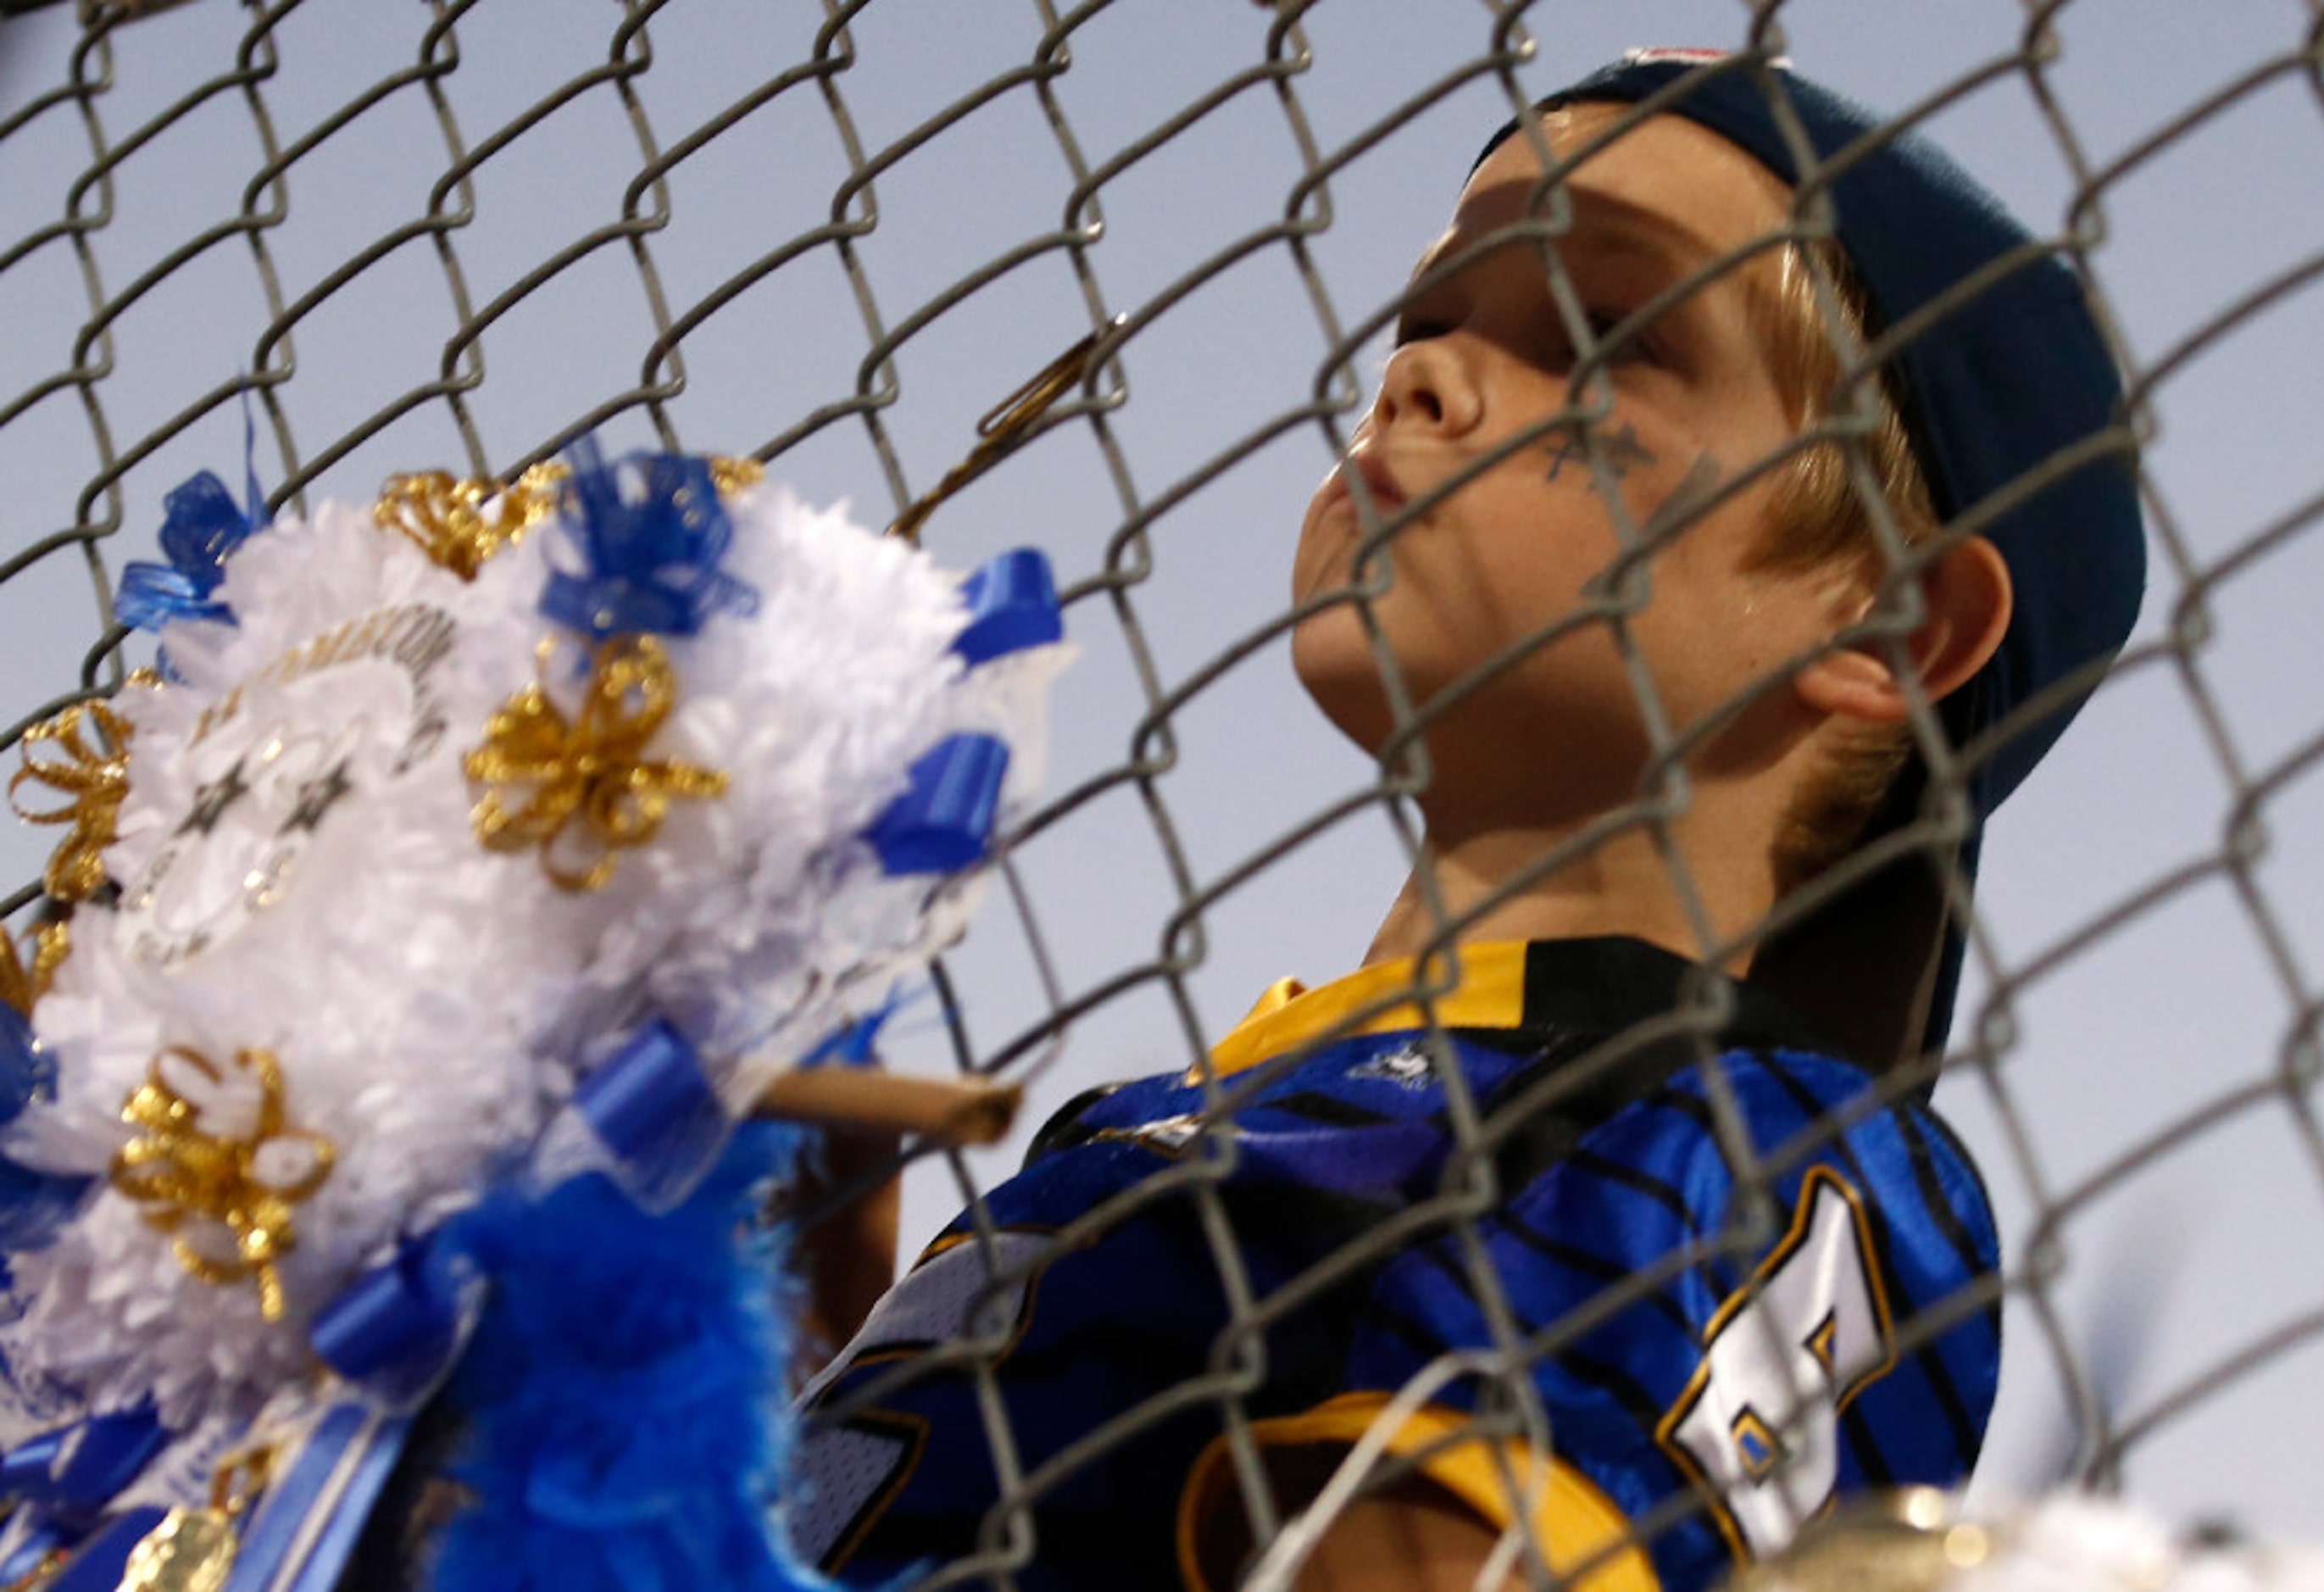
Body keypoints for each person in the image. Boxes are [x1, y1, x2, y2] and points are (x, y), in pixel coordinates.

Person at [790, 48, 2143, 1592]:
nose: (1416, 376)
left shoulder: (1747, 1130)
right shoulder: (1155, 1112)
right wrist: (784, 1329)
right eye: (1433, 313)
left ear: (1887, 622)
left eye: (1602, 329)